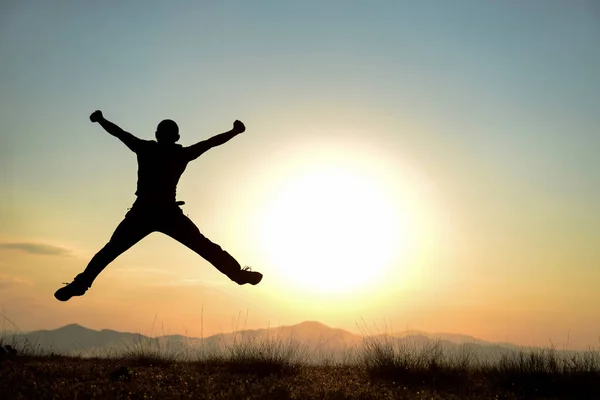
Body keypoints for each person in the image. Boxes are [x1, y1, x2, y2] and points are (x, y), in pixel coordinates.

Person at [54, 110, 262, 302]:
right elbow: (210, 143)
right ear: (177, 137)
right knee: (204, 246)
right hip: (163, 213)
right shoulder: (180, 154)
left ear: (156, 134)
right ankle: (238, 275)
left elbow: (119, 133)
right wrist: (234, 132)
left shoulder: (146, 148)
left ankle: (80, 285)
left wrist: (101, 120)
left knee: (110, 250)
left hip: (146, 211)